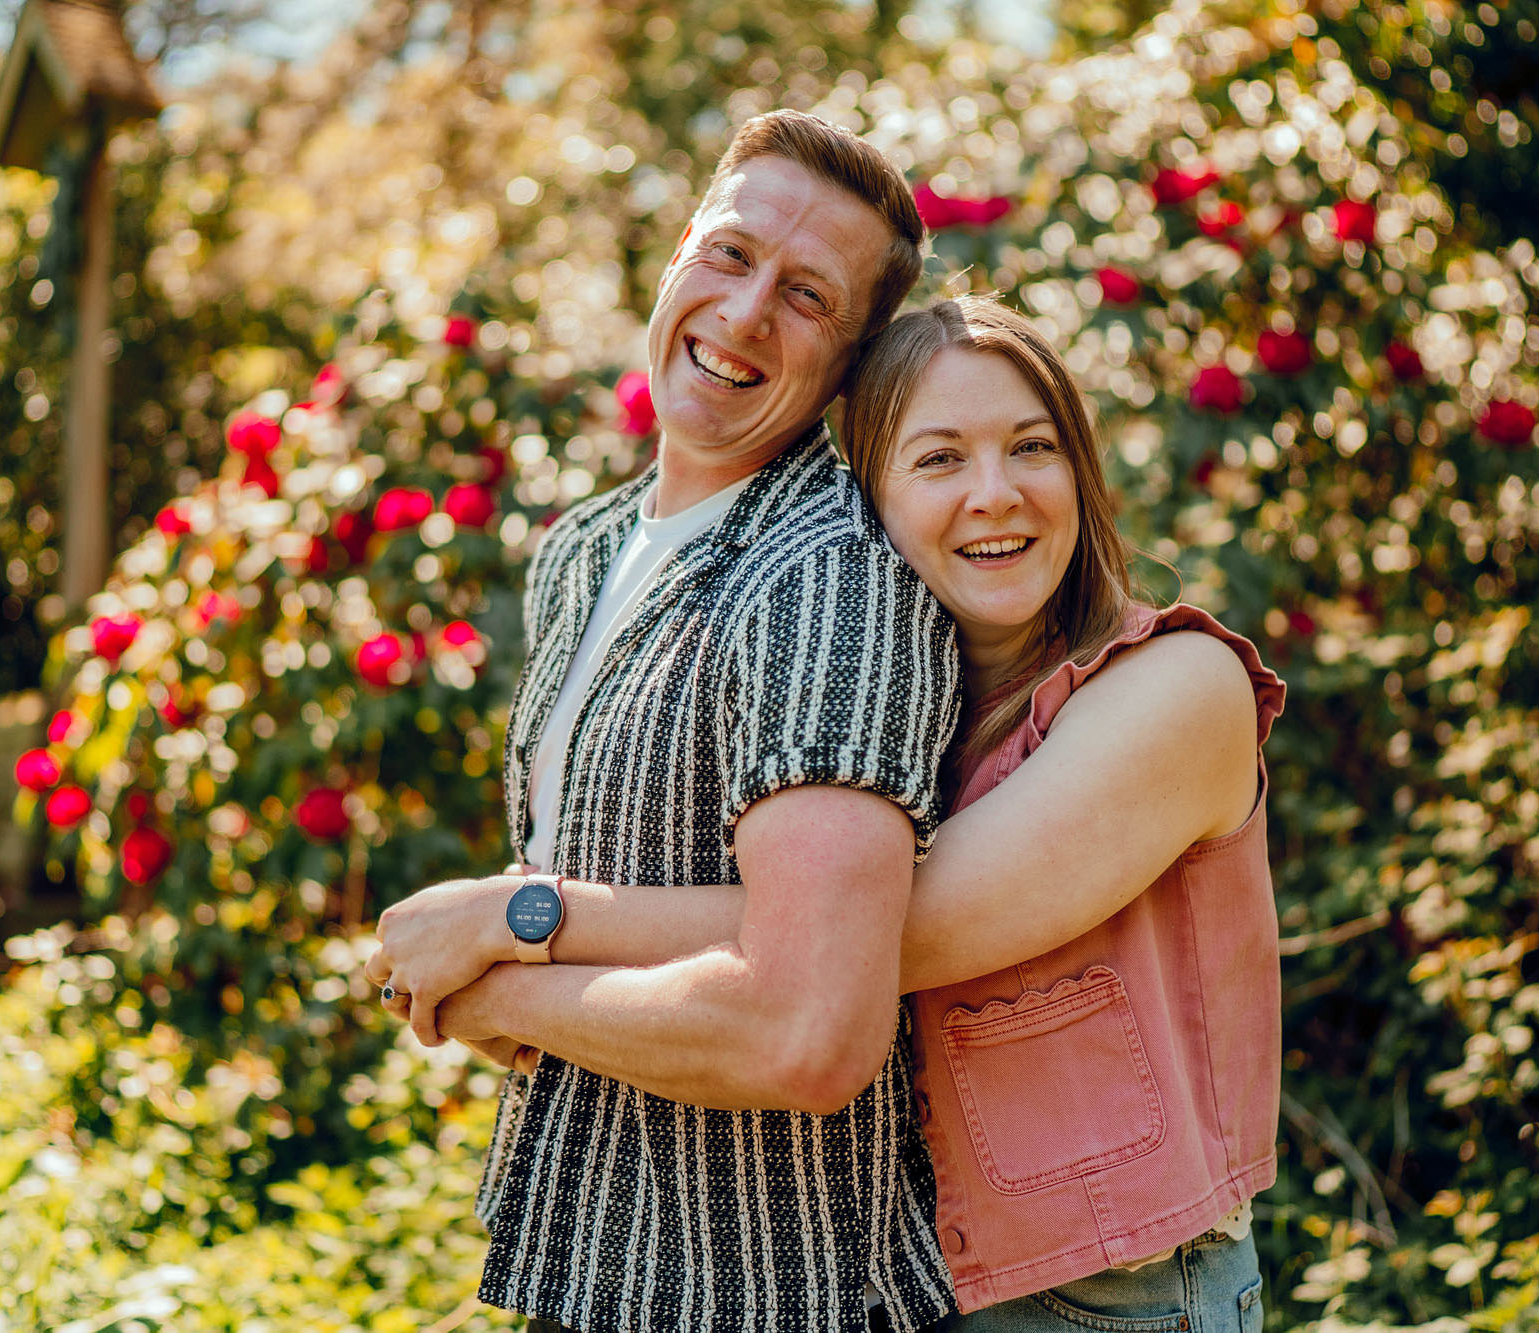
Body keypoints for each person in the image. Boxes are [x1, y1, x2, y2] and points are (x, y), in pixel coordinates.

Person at [385, 295, 1288, 1330]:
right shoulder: (879, 722)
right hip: (899, 1284)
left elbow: (852, 947)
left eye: (1031, 447)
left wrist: (508, 943)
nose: (994, 493)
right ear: (866, 503)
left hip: (1111, 1299)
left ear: (1079, 471)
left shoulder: (1178, 688)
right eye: (938, 459)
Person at [365, 111, 961, 1333]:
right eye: (730, 254)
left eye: (805, 296)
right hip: (580, 1262)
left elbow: (807, 1028)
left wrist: (489, 978)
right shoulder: (583, 548)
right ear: (681, 249)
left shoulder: (826, 581)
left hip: (766, 1294)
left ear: (848, 366)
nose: (743, 312)